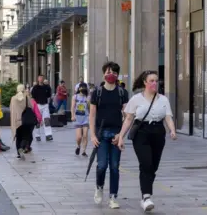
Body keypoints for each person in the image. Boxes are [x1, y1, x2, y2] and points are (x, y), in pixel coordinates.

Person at [117, 70, 177, 212]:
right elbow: (129, 119)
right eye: (151, 81)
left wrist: (172, 130)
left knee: (153, 166)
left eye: (156, 81)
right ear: (145, 82)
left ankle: (146, 193)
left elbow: (168, 117)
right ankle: (146, 196)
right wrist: (121, 137)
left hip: (158, 133)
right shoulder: (136, 99)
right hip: (142, 133)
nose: (154, 83)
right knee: (146, 163)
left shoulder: (163, 99)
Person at [89, 62, 128, 209]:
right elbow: (92, 116)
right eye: (108, 71)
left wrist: (121, 135)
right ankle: (99, 187)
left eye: (113, 72)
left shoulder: (122, 93)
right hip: (101, 134)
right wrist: (92, 135)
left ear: (117, 75)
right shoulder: (97, 93)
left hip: (116, 135)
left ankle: (113, 196)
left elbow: (126, 116)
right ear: (103, 74)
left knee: (114, 167)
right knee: (101, 165)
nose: (110, 74)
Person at [10, 84, 42, 159]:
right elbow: (30, 107)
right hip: (25, 120)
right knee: (26, 136)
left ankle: (18, 152)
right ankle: (22, 147)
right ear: (23, 89)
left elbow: (11, 109)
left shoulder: (13, 98)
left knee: (18, 137)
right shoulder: (26, 98)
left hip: (17, 121)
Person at [31, 75, 53, 141]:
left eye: (42, 78)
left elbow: (49, 95)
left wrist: (48, 88)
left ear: (43, 79)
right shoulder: (35, 87)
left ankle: (48, 135)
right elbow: (33, 96)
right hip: (38, 105)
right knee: (37, 120)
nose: (41, 79)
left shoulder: (47, 87)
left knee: (46, 120)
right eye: (39, 78)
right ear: (38, 79)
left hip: (45, 105)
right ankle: (37, 135)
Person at [71, 82, 89, 156]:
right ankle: (78, 146)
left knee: (85, 135)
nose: (83, 89)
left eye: (85, 88)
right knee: (79, 137)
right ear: (79, 88)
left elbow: (90, 108)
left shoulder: (88, 97)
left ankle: (84, 151)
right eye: (82, 88)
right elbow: (72, 107)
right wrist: (73, 115)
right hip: (77, 119)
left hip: (85, 118)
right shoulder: (75, 97)